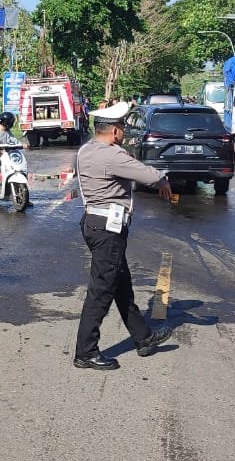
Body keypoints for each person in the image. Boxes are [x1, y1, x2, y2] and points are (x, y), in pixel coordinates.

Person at [72, 100, 174, 371]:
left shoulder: (87, 150)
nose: (124, 132)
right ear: (114, 131)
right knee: (101, 291)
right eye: (122, 127)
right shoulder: (112, 155)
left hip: (94, 222)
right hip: (108, 228)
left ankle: (144, 337)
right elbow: (148, 175)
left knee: (120, 284)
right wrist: (163, 179)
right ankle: (86, 352)